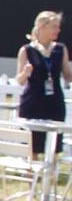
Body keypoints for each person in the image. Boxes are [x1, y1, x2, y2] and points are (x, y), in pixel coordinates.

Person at [16, 10, 70, 160]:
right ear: (42, 27)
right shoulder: (27, 50)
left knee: (53, 145)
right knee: (32, 144)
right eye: (54, 26)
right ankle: (30, 177)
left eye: (58, 27)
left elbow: (67, 75)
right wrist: (26, 73)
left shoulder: (60, 49)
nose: (58, 30)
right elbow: (20, 80)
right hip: (33, 103)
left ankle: (50, 177)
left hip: (54, 103)